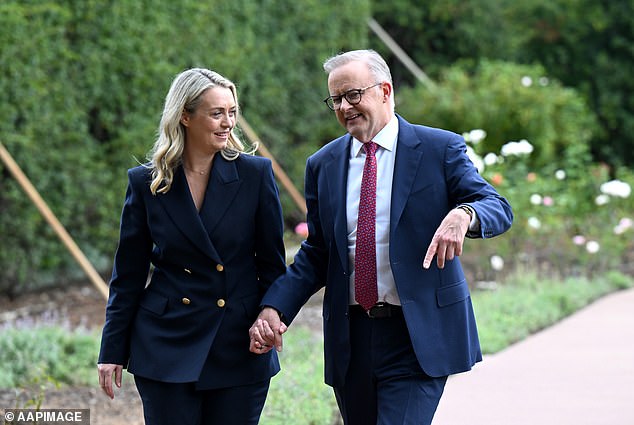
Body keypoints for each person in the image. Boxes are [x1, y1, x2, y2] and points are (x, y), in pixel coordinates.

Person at [249, 49, 513, 425]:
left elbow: (496, 204)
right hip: (351, 337)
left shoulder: (438, 149)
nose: (344, 107)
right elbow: (318, 253)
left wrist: (464, 214)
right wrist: (276, 306)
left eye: (353, 95)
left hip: (416, 333)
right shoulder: (323, 164)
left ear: (385, 91)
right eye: (336, 99)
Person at [97, 68, 286, 425]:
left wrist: (271, 314)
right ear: (185, 116)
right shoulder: (146, 183)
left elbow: (273, 266)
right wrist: (112, 350)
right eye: (217, 113)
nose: (228, 122)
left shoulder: (255, 175)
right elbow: (129, 275)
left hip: (237, 344)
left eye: (232, 112)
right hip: (166, 344)